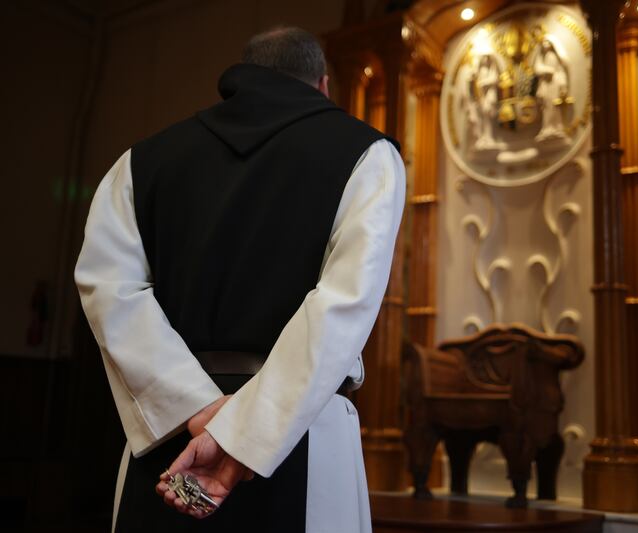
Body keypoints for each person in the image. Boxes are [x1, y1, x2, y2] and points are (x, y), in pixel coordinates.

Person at [74, 26, 405, 532]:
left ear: (238, 82)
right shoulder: (368, 155)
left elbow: (110, 293)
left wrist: (198, 408)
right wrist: (246, 429)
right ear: (323, 86)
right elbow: (341, 305)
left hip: (174, 437)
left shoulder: (138, 162)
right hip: (302, 434)